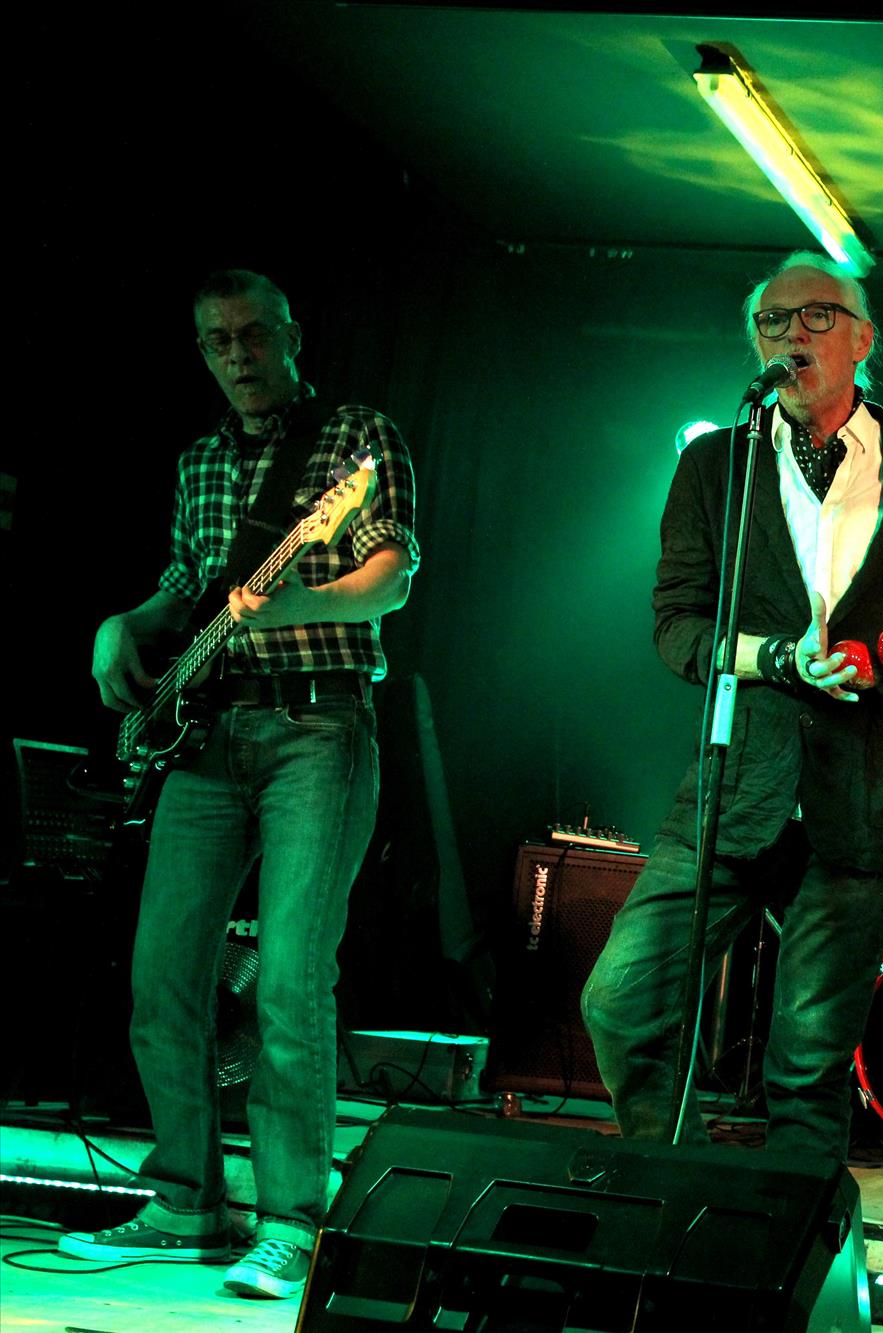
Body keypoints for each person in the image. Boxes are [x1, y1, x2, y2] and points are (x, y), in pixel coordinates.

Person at [580, 251, 883, 1162]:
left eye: (816, 316)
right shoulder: (716, 463)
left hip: (861, 797)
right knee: (622, 1000)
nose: (793, 333)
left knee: (806, 1062)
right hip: (736, 786)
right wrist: (776, 658)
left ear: (863, 339)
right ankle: (681, 1184)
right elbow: (677, 626)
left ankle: (796, 1235)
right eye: (773, 321)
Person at [64, 269, 418, 1300]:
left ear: (291, 335)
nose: (237, 355)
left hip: (318, 724)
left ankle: (291, 1220)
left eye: (253, 335)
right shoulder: (201, 460)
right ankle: (185, 1198)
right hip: (206, 735)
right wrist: (121, 626)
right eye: (217, 341)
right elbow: (187, 587)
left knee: (289, 977)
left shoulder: (354, 438)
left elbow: (391, 575)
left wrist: (296, 600)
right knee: (163, 972)